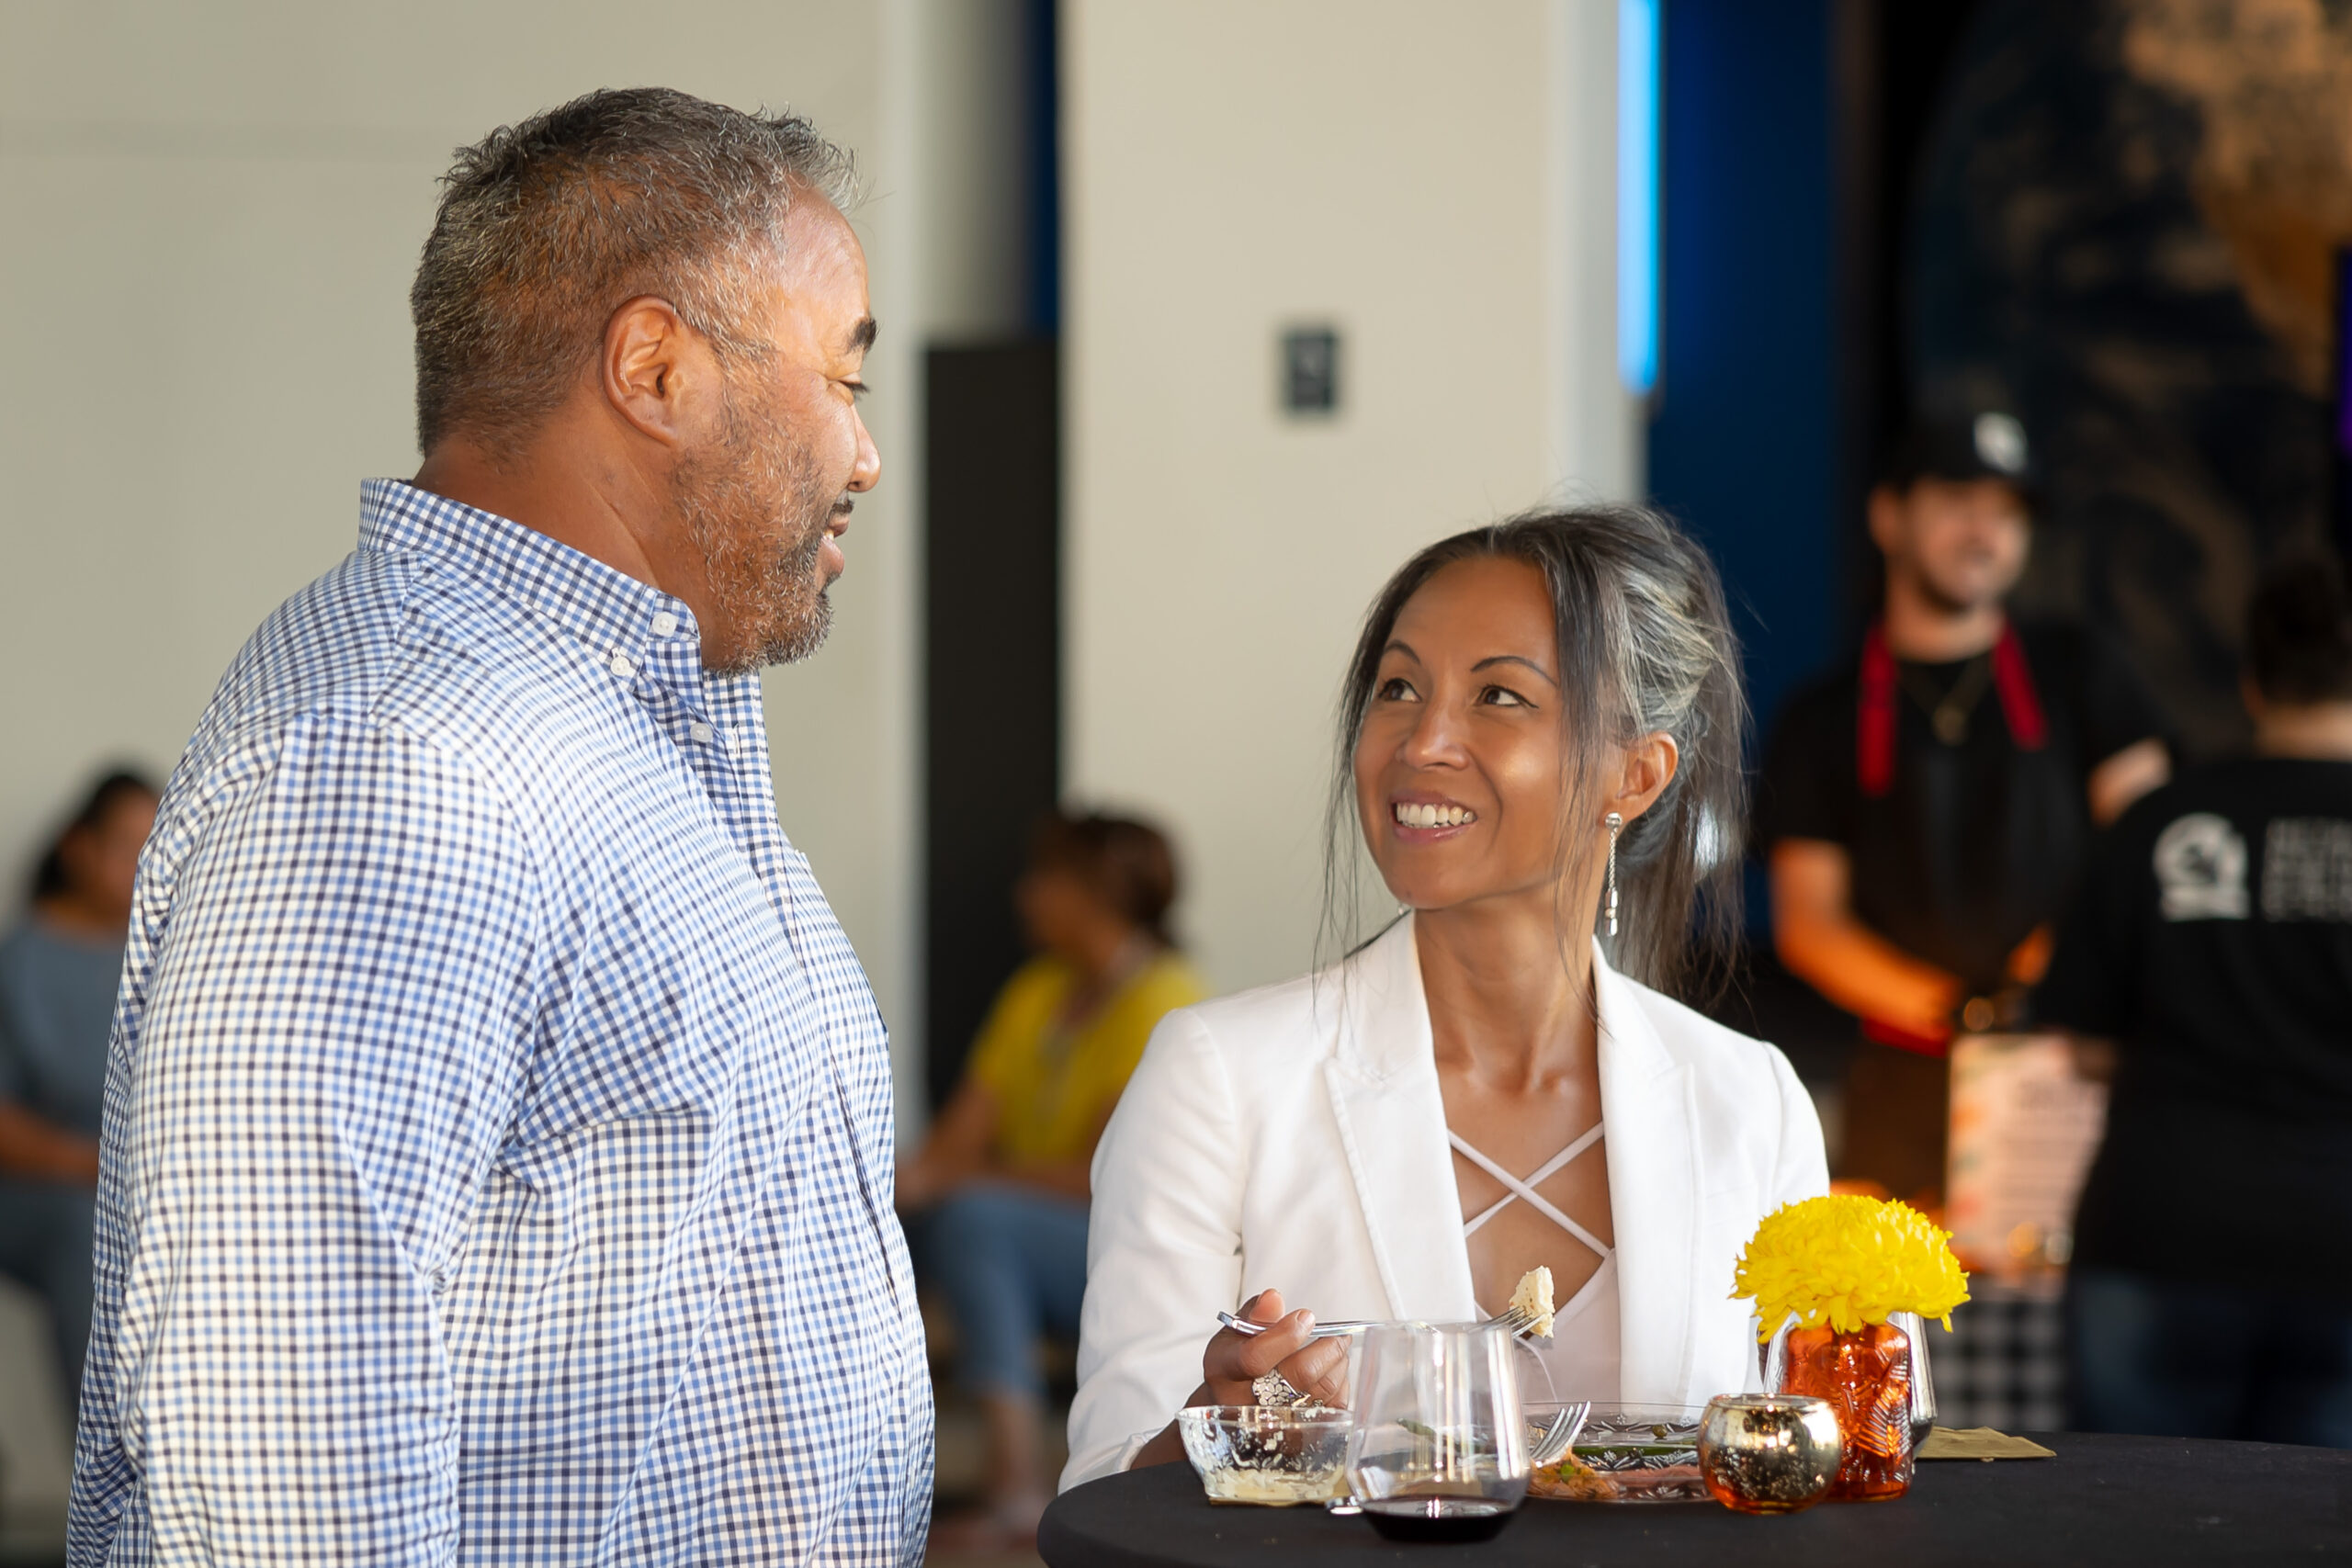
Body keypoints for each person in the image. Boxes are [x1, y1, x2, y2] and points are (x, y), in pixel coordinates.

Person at [68, 89, 933, 1565]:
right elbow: (286, 1434)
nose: (863, 456)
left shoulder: (606, 724)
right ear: (655, 369)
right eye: (843, 379)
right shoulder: (395, 758)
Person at [1062, 505, 1829, 1488]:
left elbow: (1805, 1476)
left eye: (1499, 696)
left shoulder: (1750, 1103)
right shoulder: (1217, 1079)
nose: (1422, 740)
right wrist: (1219, 1433)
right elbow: (1102, 1488)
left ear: (1634, 774)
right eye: (1398, 687)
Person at [1758, 411, 2170, 1208]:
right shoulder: (1820, 717)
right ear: (1889, 516)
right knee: (1895, 1284)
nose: (1986, 531)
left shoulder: (2081, 670)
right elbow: (1809, 922)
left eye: (2007, 511)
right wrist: (1962, 1015)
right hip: (1899, 1083)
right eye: (1958, 500)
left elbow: (2151, 844)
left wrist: (2055, 963)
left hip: (2066, 1077)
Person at [2038, 557, 2352, 1446]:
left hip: (2163, 1224)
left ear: (2252, 682)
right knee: (2321, 1518)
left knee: (2138, 1509)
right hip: (2341, 1235)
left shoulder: (2161, 820)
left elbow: (2084, 1044)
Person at [901, 811, 1205, 1542]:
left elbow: (1101, 1178)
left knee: (974, 1215)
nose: (1025, 893)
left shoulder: (1164, 997)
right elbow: (953, 1142)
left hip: (1117, 1254)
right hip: (1015, 1235)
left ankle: (1016, 1479)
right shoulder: (1037, 991)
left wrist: (963, 1177)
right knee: (907, 1215)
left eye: (1044, 877)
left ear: (1095, 890)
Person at [0, 769, 157, 1394]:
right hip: (47, 1190)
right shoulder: (21, 963)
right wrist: (101, 1166)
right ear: (79, 847)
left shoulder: (164, 957)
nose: (143, 864)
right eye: (127, 845)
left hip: (144, 1186)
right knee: (86, 1229)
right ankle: (107, 1444)